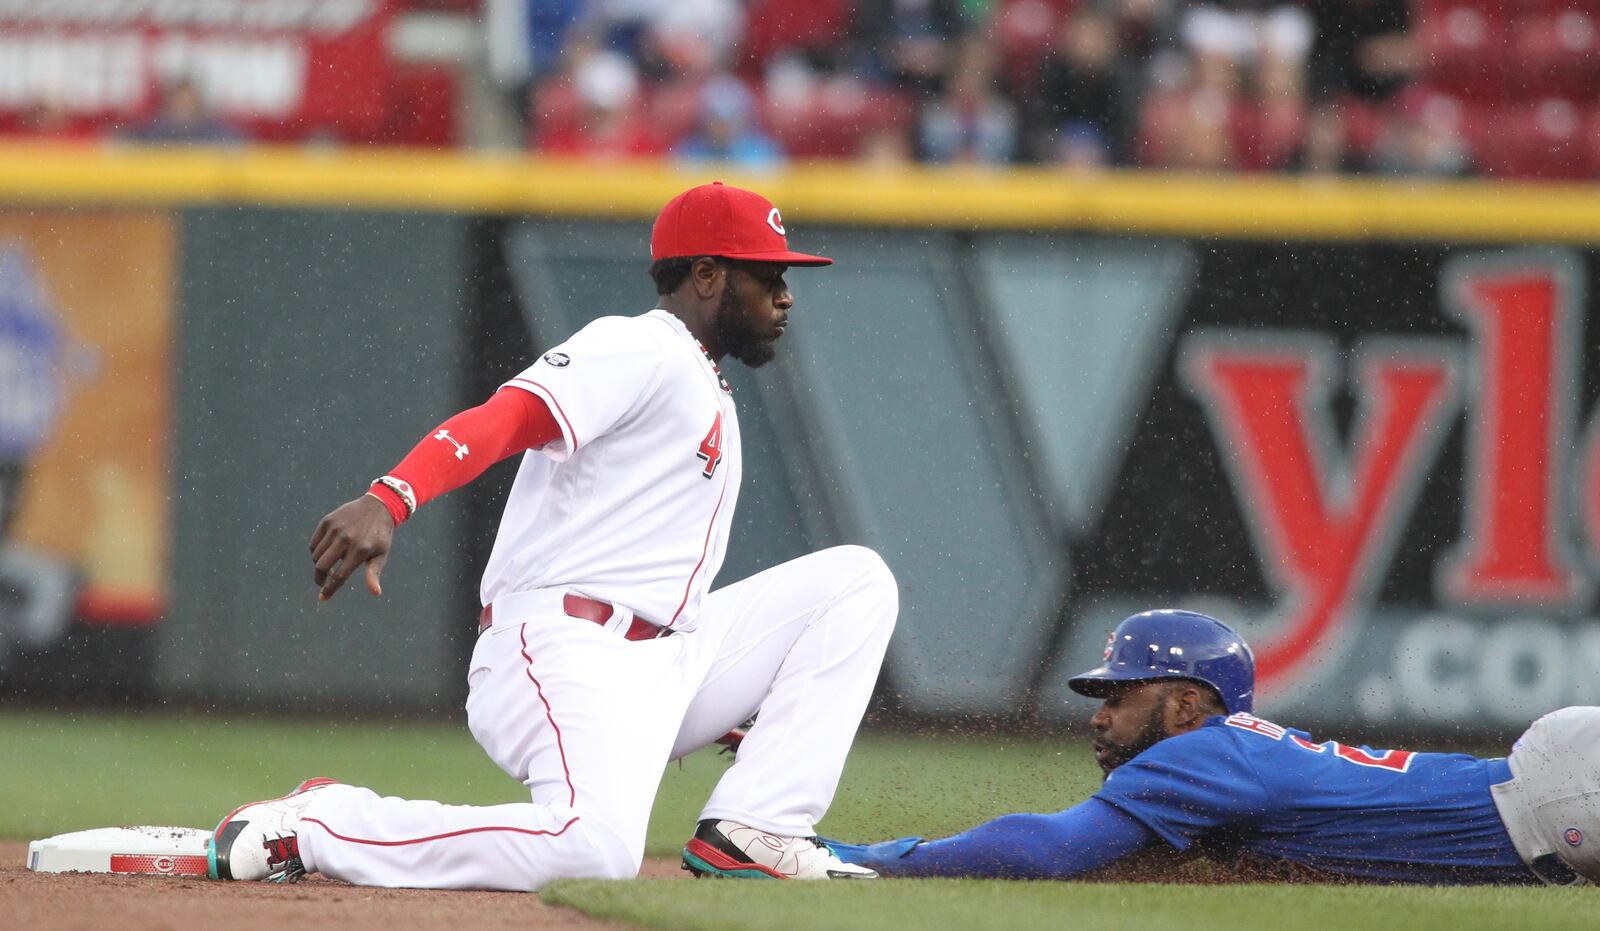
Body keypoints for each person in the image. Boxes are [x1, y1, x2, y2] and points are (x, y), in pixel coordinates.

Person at [208, 182, 899, 889]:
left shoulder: (703, 380)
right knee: (594, 849)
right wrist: (392, 496)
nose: (784, 295)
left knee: (855, 584)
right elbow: (507, 417)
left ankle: (757, 825)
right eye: (768, 275)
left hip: (662, 660)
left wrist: (741, 696)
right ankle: (326, 821)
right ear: (706, 275)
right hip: (562, 645)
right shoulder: (640, 346)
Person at [826, 609, 1600, 886]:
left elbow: (1055, 847)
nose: (1101, 715)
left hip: (1560, 798)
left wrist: (867, 858)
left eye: (1121, 694)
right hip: (1548, 797)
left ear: (1188, 702)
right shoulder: (1227, 758)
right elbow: (1108, 863)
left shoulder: (1199, 754)